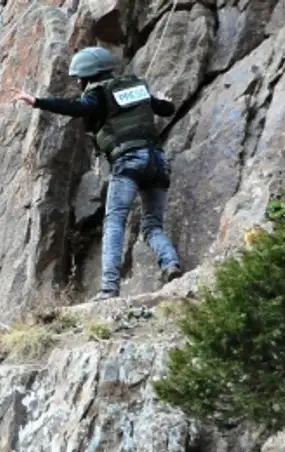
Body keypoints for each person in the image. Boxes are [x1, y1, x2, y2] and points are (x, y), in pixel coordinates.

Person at [10, 46, 183, 301]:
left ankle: (109, 289)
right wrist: (165, 102)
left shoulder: (99, 94)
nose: (79, 82)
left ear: (89, 75)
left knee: (114, 222)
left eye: (79, 77)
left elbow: (79, 108)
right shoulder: (137, 87)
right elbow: (166, 109)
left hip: (128, 162)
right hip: (157, 161)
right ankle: (170, 264)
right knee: (152, 225)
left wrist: (37, 102)